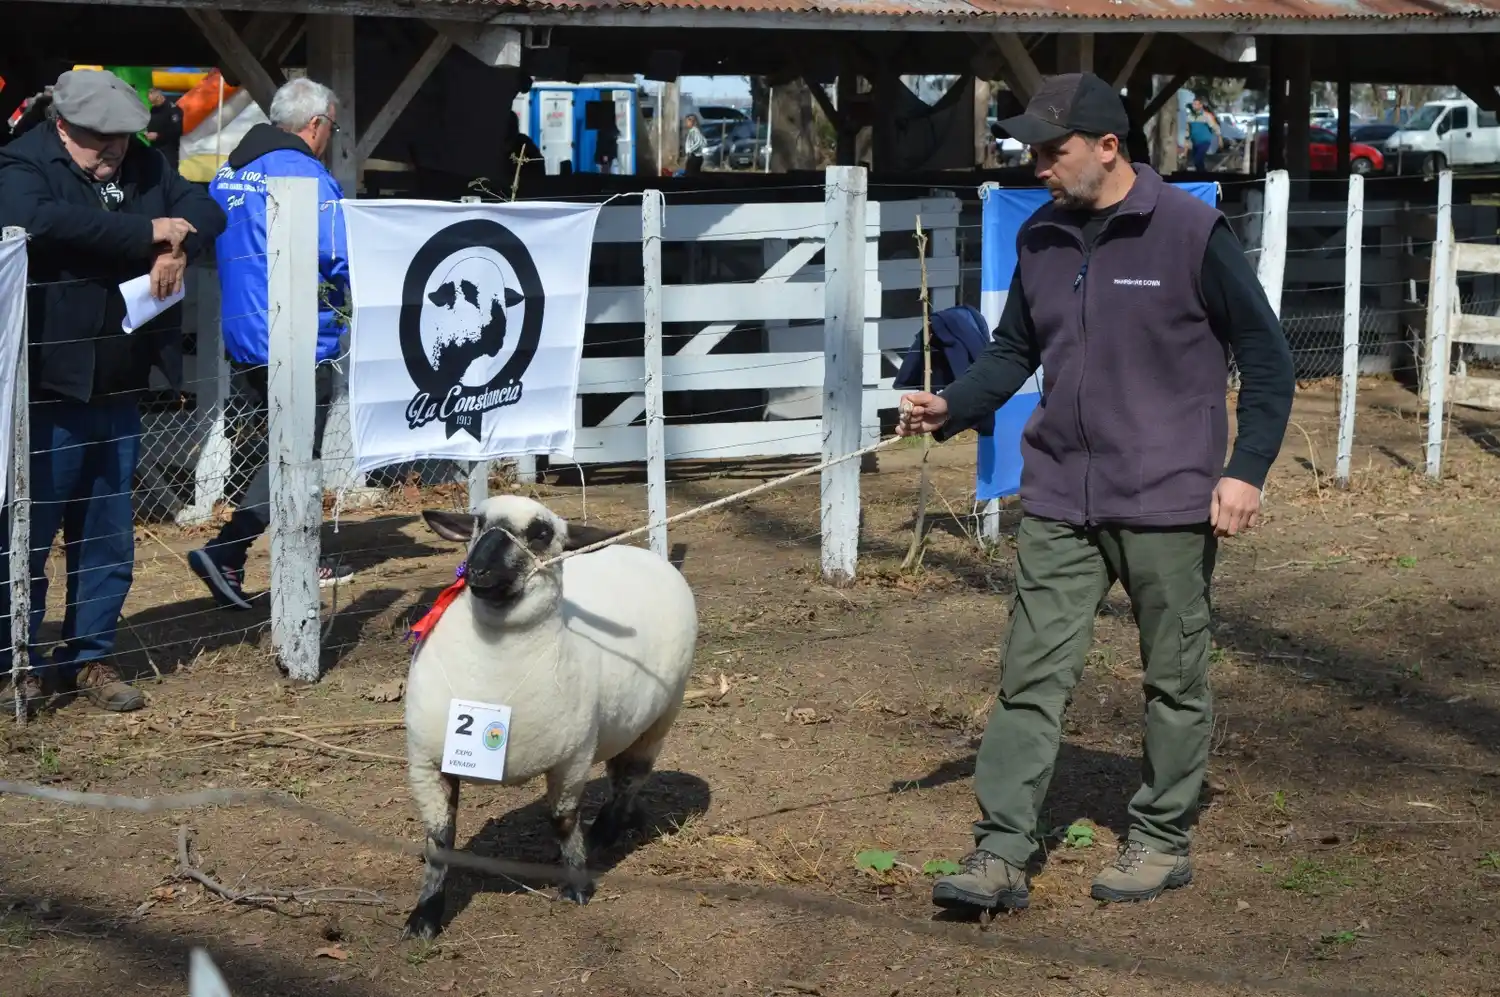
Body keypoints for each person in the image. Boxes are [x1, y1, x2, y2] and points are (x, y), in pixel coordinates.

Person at [897, 72, 1294, 911]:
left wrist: (1246, 469)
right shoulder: (1040, 236)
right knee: (1028, 676)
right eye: (1032, 151)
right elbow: (1012, 351)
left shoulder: (1190, 231)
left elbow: (1267, 356)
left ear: (1108, 147)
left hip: (1169, 498)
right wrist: (952, 404)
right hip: (1059, 498)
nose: (1037, 165)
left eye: (1052, 150)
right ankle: (999, 853)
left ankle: (1160, 837)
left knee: (1174, 678)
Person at [0, 68, 226, 714]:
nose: (115, 153)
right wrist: (152, 233)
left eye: (123, 141)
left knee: (106, 532)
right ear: (63, 127)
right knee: (27, 530)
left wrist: (179, 243)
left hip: (118, 380)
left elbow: (206, 206)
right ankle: (15, 661)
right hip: (43, 386)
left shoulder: (143, 162)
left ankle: (91, 656)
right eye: (100, 141)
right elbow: (36, 222)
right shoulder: (22, 163)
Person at [189, 76, 353, 612]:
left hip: (243, 331)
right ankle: (231, 550)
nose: (330, 135)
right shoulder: (306, 174)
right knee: (298, 453)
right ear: (314, 125)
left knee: (278, 447)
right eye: (331, 125)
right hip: (299, 335)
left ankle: (289, 550)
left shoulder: (230, 172)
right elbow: (340, 253)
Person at [145, 87, 183, 172]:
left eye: (154, 101)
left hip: (169, 149)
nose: (153, 104)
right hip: (155, 148)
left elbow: (177, 130)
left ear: (159, 97)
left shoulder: (173, 110)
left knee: (170, 172)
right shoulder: (154, 109)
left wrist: (158, 135)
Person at [1185, 97, 1220, 173]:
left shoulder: (1207, 115)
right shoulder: (1190, 116)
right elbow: (1188, 129)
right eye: (1193, 104)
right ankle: (1202, 176)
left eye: (1196, 104)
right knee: (1197, 162)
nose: (1194, 106)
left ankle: (1203, 175)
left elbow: (1215, 127)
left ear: (1201, 105)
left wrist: (1219, 138)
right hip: (1195, 142)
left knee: (1198, 159)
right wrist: (1187, 138)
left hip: (1205, 141)